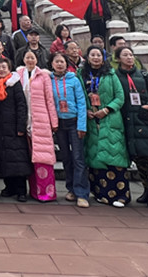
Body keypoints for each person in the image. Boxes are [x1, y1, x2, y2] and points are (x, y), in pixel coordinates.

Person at [80, 45, 129, 207]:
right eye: (92, 55)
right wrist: (86, 110)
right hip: (91, 119)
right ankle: (101, 194)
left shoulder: (111, 74)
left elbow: (120, 97)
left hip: (110, 118)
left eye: (99, 55)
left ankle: (121, 195)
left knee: (114, 155)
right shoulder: (81, 75)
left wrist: (107, 109)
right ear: (87, 58)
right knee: (95, 157)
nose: (96, 58)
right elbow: (79, 96)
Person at [115, 46, 148, 209]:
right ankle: (146, 189)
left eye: (131, 54)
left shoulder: (144, 75)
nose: (129, 57)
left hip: (146, 120)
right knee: (139, 158)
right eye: (125, 55)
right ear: (118, 58)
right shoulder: (115, 76)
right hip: (128, 121)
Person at [17, 50, 58, 202]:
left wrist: (54, 122)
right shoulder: (18, 74)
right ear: (23, 59)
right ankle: (34, 191)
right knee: (29, 158)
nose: (30, 60)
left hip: (41, 120)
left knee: (43, 157)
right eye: (27, 57)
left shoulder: (43, 76)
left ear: (36, 59)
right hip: (24, 120)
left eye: (32, 57)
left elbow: (49, 99)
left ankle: (47, 193)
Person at [49, 52, 89, 208]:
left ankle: (82, 193)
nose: (60, 64)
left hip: (74, 122)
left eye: (62, 62)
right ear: (52, 64)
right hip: (59, 124)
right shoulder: (49, 80)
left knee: (78, 158)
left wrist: (81, 125)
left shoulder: (74, 79)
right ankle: (71, 188)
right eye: (57, 62)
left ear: (67, 64)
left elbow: (82, 102)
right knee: (66, 157)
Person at [0, 58, 31, 202]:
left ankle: (21, 190)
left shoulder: (15, 84)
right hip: (0, 128)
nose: (1, 69)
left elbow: (21, 105)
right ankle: (9, 187)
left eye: (4, 67)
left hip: (14, 128)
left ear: (9, 69)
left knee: (18, 159)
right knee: (5, 159)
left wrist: (21, 126)